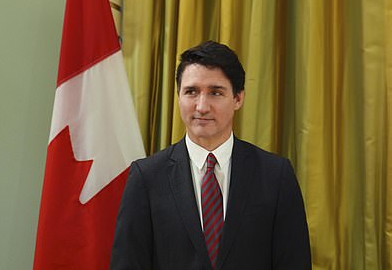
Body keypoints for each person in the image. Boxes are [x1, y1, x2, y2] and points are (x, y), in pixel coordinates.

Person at [110, 40, 311, 270]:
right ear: (178, 96)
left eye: (215, 92)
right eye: (191, 92)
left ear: (238, 98)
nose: (202, 106)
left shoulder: (276, 176)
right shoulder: (146, 178)